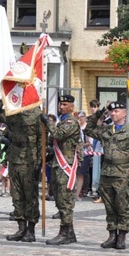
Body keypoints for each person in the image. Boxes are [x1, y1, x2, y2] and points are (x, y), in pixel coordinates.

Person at [85, 101, 129, 249]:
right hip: (107, 172)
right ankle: (112, 235)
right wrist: (99, 113)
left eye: (116, 111)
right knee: (109, 206)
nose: (113, 114)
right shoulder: (107, 131)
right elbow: (89, 129)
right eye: (111, 112)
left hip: (122, 173)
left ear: (124, 113)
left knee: (121, 206)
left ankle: (121, 236)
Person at [0, 98, 43, 242]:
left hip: (29, 161)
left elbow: (41, 140)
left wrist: (39, 162)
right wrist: (1, 101)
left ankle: (30, 230)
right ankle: (21, 227)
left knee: (30, 196)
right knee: (17, 195)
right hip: (15, 158)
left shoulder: (36, 114)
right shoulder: (13, 113)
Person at [43, 94, 82, 245]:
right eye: (60, 104)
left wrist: (48, 123)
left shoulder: (71, 121)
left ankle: (64, 232)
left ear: (72, 106)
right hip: (57, 163)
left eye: (65, 104)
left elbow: (58, 135)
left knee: (65, 199)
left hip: (66, 163)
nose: (61, 107)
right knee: (59, 197)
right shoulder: (62, 121)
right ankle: (69, 232)